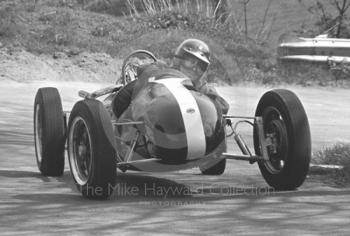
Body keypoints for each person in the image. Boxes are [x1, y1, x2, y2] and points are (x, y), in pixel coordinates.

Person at [112, 38, 229, 118]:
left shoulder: (203, 87)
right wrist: (162, 80)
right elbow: (146, 71)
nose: (195, 68)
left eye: (200, 65)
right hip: (153, 128)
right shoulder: (161, 69)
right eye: (191, 62)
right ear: (179, 59)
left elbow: (222, 107)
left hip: (186, 134)